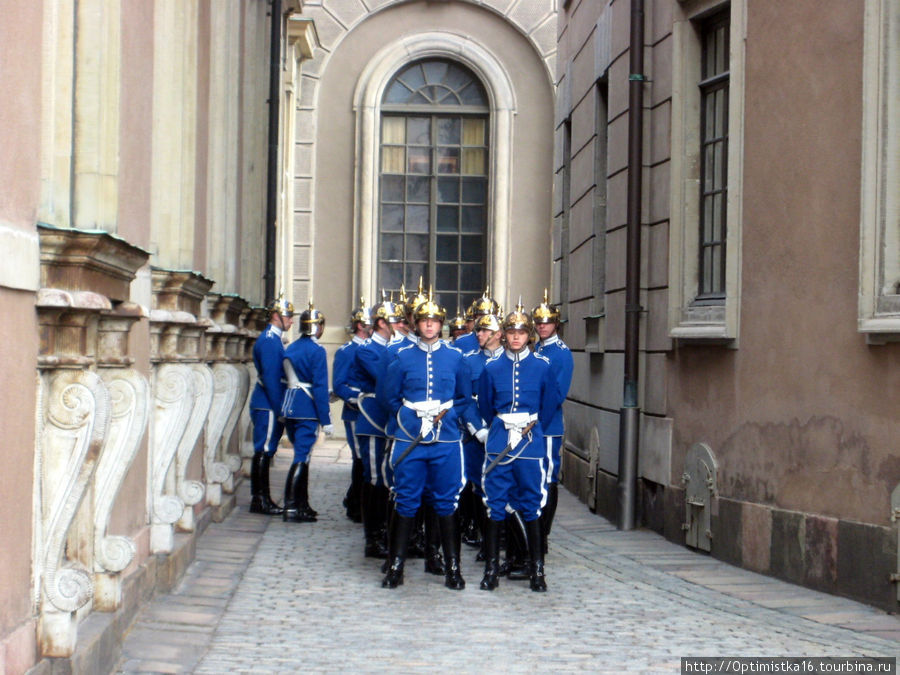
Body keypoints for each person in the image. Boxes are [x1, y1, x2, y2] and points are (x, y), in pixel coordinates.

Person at [380, 291, 471, 590]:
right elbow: (389, 396)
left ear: (441, 325)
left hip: (445, 438)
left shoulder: (455, 357)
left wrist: (446, 412)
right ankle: (396, 566)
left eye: (434, 321)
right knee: (406, 498)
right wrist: (409, 417)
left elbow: (463, 397)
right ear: (415, 324)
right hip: (410, 438)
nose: (429, 326)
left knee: (446, 501)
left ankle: (453, 567)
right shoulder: (402, 356)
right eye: (424, 321)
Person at [477, 302, 559, 592]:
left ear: (529, 337)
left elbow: (550, 403)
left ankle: (537, 570)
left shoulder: (541, 366)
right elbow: (486, 405)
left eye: (521, 333)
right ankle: (490, 570)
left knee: (532, 505)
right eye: (510, 332)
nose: (515, 338)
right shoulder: (492, 368)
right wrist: (501, 424)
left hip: (530, 440)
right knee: (495, 505)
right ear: (503, 334)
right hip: (500, 438)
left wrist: (532, 425)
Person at [351, 297, 401, 558]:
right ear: (382, 323)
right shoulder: (368, 349)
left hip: (390, 419)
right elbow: (386, 378)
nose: (401, 325)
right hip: (373, 418)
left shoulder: (393, 347)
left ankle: (386, 531)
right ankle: (372, 537)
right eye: (396, 321)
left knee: (388, 478)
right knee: (374, 478)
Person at [281, 301, 333, 523]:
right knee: (302, 457)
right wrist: (326, 419)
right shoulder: (317, 351)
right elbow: (319, 387)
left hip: (290, 406)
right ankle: (292, 506)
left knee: (302, 456)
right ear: (317, 327)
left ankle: (302, 504)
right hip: (307, 409)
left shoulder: (291, 347)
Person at [460, 312, 504, 557]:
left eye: (485, 330)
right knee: (478, 486)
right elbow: (465, 399)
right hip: (476, 434)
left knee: (501, 488)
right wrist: (477, 428)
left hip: (502, 432)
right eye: (478, 330)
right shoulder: (468, 361)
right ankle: (484, 539)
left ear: (498, 334)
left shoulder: (509, 361)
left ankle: (500, 541)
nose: (479, 334)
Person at [532, 289, 573, 551]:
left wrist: (537, 422)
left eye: (546, 322)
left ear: (555, 324)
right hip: (533, 423)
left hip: (547, 426)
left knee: (548, 477)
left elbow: (556, 394)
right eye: (538, 322)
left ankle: (543, 535)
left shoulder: (561, 352)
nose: (542, 326)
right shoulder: (536, 347)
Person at [247, 294, 293, 516]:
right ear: (276, 316)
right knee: (263, 450)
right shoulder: (268, 340)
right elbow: (271, 378)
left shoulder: (274, 340)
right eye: (289, 316)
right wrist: (280, 408)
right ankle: (259, 499)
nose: (292, 320)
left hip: (269, 402)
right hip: (267, 403)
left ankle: (263, 497)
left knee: (268, 450)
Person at [333, 299, 373, 522]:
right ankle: (355, 505)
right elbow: (340, 385)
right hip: (355, 413)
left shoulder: (370, 349)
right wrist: (359, 398)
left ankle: (354, 499)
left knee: (367, 461)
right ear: (360, 325)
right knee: (360, 459)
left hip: (370, 413)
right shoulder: (348, 351)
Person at [453, 288, 499, 355]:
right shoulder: (462, 342)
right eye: (481, 316)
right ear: (475, 318)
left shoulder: (504, 341)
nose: (485, 319)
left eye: (488, 316)